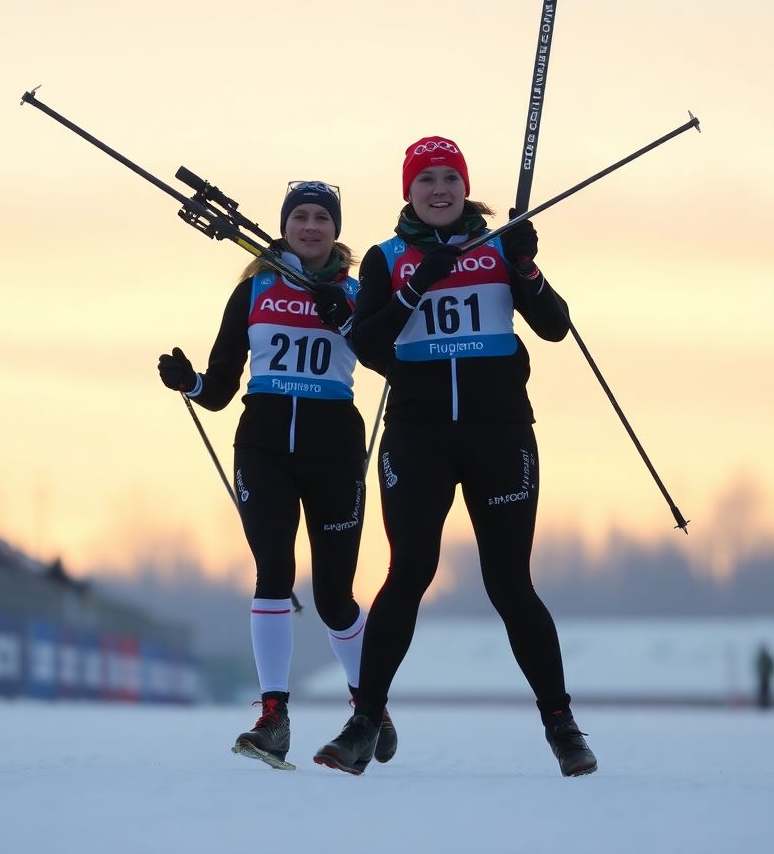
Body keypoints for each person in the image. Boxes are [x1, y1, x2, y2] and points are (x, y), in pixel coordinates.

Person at [313, 137, 597, 777]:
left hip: (499, 433)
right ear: (408, 191)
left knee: (510, 583)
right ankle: (364, 722)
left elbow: (555, 326)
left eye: (450, 178)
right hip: (420, 436)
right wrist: (417, 287)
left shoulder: (498, 246)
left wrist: (526, 269)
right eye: (426, 179)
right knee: (409, 571)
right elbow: (367, 345)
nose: (439, 190)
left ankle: (561, 724)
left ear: (465, 188)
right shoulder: (387, 258)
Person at [157, 181, 396, 769]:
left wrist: (353, 318)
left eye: (321, 218)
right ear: (285, 226)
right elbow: (218, 389)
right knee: (273, 571)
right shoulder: (255, 289)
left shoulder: (356, 291)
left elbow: (388, 358)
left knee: (335, 597)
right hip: (263, 448)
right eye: (300, 217)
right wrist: (188, 382)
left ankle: (370, 709)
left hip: (334, 452)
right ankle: (273, 717)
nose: (311, 227)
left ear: (335, 230)